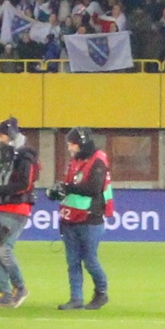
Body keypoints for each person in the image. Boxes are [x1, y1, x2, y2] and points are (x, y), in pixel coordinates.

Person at [0, 116, 37, 308]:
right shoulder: (4, 157)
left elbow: (24, 184)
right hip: (2, 207)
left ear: (10, 135)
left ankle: (19, 288)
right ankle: (5, 293)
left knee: (3, 250)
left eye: (1, 136)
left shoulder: (24, 156)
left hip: (16, 208)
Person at [56, 126, 111, 311]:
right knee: (72, 261)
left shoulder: (98, 160)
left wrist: (67, 188)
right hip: (70, 217)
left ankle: (101, 292)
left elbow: (94, 188)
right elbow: (72, 185)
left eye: (72, 144)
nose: (70, 148)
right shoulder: (75, 160)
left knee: (89, 260)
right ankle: (76, 299)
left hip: (90, 217)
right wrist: (58, 192)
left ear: (82, 143)